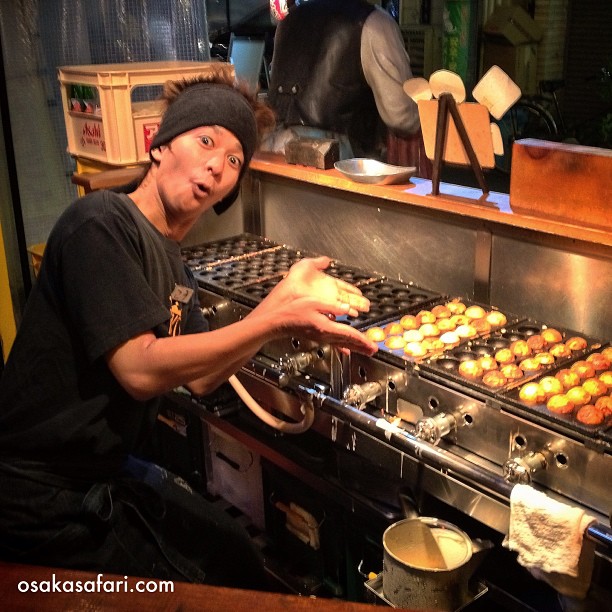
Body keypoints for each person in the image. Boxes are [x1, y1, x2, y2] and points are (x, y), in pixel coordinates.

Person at [0, 69, 378, 588]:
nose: (216, 166)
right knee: (203, 587)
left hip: (103, 473)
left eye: (232, 160)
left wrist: (277, 306)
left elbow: (202, 380)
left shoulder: (173, 265)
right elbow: (138, 368)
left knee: (237, 555)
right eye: (206, 140)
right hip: (39, 497)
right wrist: (275, 317)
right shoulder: (100, 223)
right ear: (158, 144)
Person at [263, 0, 422, 164]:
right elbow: (402, 118)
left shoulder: (288, 20)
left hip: (273, 153)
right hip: (337, 160)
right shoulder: (374, 22)